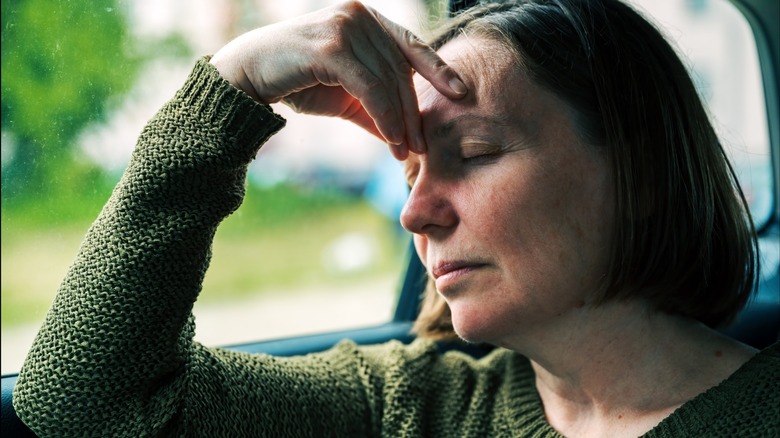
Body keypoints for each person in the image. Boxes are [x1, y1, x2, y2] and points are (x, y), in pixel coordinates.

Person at [13, 0, 779, 436]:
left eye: (474, 152)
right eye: (410, 169)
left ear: (638, 171)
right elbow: (79, 402)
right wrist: (234, 87)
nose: (416, 211)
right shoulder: (410, 406)